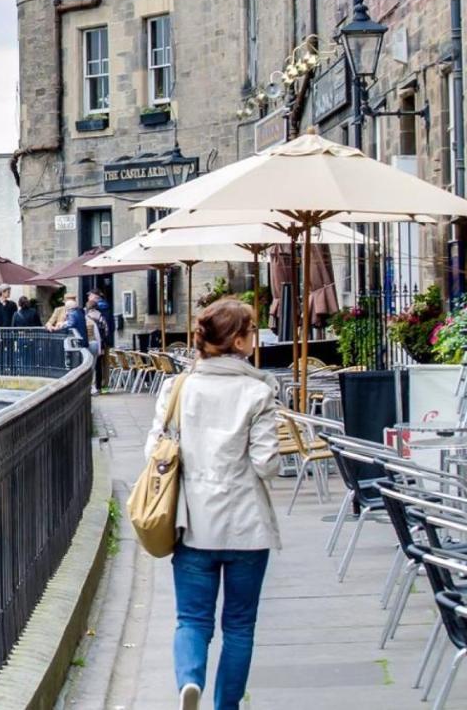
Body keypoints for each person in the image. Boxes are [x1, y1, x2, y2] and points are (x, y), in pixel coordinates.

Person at [144, 298, 280, 710]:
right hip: (246, 526)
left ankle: (190, 681)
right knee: (239, 626)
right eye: (252, 332)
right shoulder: (258, 391)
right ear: (239, 341)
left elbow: (155, 448)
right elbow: (267, 464)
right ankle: (227, 705)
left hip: (192, 523)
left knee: (192, 620)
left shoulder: (177, 387)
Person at [86, 291, 111, 393]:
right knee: (100, 365)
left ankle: (94, 386)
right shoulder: (102, 314)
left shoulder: (88, 316)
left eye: (90, 296)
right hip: (102, 342)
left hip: (94, 341)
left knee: (94, 365)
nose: (88, 298)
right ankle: (100, 387)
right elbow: (106, 329)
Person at [12, 296, 41, 372]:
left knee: (22, 355)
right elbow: (39, 325)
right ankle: (32, 370)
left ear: (19, 304)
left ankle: (24, 370)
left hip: (21, 337)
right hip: (32, 336)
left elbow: (13, 327)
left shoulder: (16, 314)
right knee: (32, 355)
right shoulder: (34, 312)